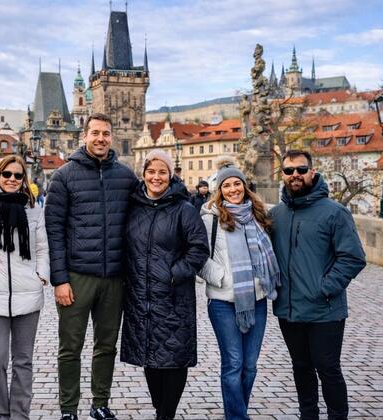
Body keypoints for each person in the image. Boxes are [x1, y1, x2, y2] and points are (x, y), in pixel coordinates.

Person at [45, 113, 138, 420]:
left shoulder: (125, 177)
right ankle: (68, 409)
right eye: (95, 132)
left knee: (106, 346)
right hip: (76, 277)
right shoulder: (63, 176)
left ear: (111, 137)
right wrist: (59, 279)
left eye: (106, 133)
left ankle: (100, 403)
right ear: (84, 136)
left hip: (113, 278)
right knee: (70, 347)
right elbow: (54, 233)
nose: (101, 138)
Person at [269, 150, 366, 420]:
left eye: (301, 170)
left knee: (328, 368)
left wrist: (324, 288)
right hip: (289, 308)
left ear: (312, 172)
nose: (295, 175)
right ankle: (308, 415)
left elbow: (353, 257)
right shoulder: (277, 214)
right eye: (289, 171)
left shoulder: (335, 212)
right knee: (300, 366)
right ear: (283, 176)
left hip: (325, 309)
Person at [121, 149, 209, 420]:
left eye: (162, 172)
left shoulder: (183, 208)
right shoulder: (133, 207)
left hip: (173, 296)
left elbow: (199, 248)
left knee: (173, 358)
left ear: (171, 175)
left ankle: (166, 415)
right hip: (140, 295)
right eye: (151, 171)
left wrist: (174, 274)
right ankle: (162, 410)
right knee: (150, 356)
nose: (156, 177)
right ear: (143, 174)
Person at [198, 163, 280, 420]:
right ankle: (237, 417)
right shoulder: (210, 217)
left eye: (236, 183)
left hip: (256, 300)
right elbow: (198, 257)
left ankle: (237, 410)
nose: (233, 189)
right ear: (219, 190)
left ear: (244, 186)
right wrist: (220, 278)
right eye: (226, 185)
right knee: (233, 363)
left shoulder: (259, 215)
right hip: (223, 302)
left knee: (250, 366)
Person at [0, 155, 49, 420]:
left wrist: (40, 274)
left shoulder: (33, 207)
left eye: (18, 176)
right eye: (6, 175)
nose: (12, 180)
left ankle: (20, 415)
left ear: (24, 180)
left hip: (28, 295)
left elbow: (42, 246)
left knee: (23, 362)